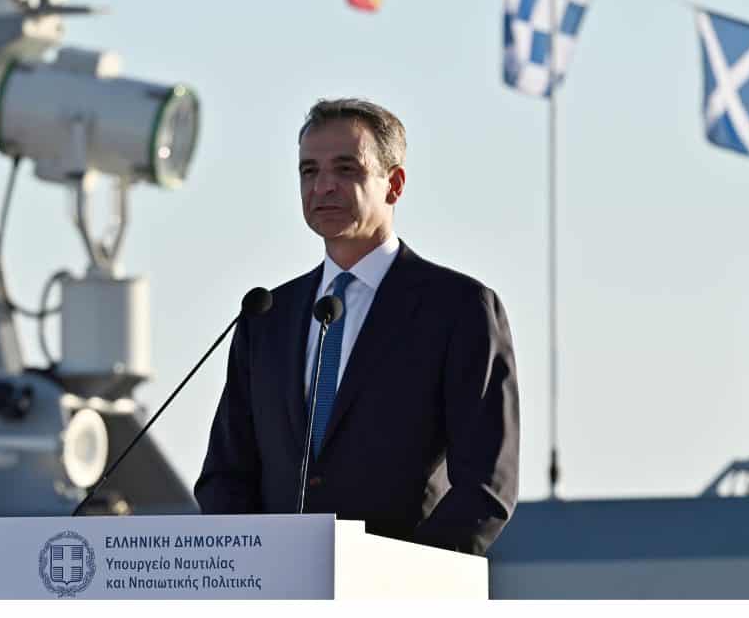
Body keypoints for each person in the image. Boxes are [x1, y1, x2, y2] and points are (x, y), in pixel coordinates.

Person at [195, 98, 519, 555]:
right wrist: (250, 565)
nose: (323, 186)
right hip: (277, 583)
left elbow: (485, 487)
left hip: (400, 584)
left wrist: (397, 578)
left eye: (346, 169)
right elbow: (226, 475)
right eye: (309, 171)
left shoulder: (457, 308)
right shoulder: (267, 316)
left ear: (395, 184)